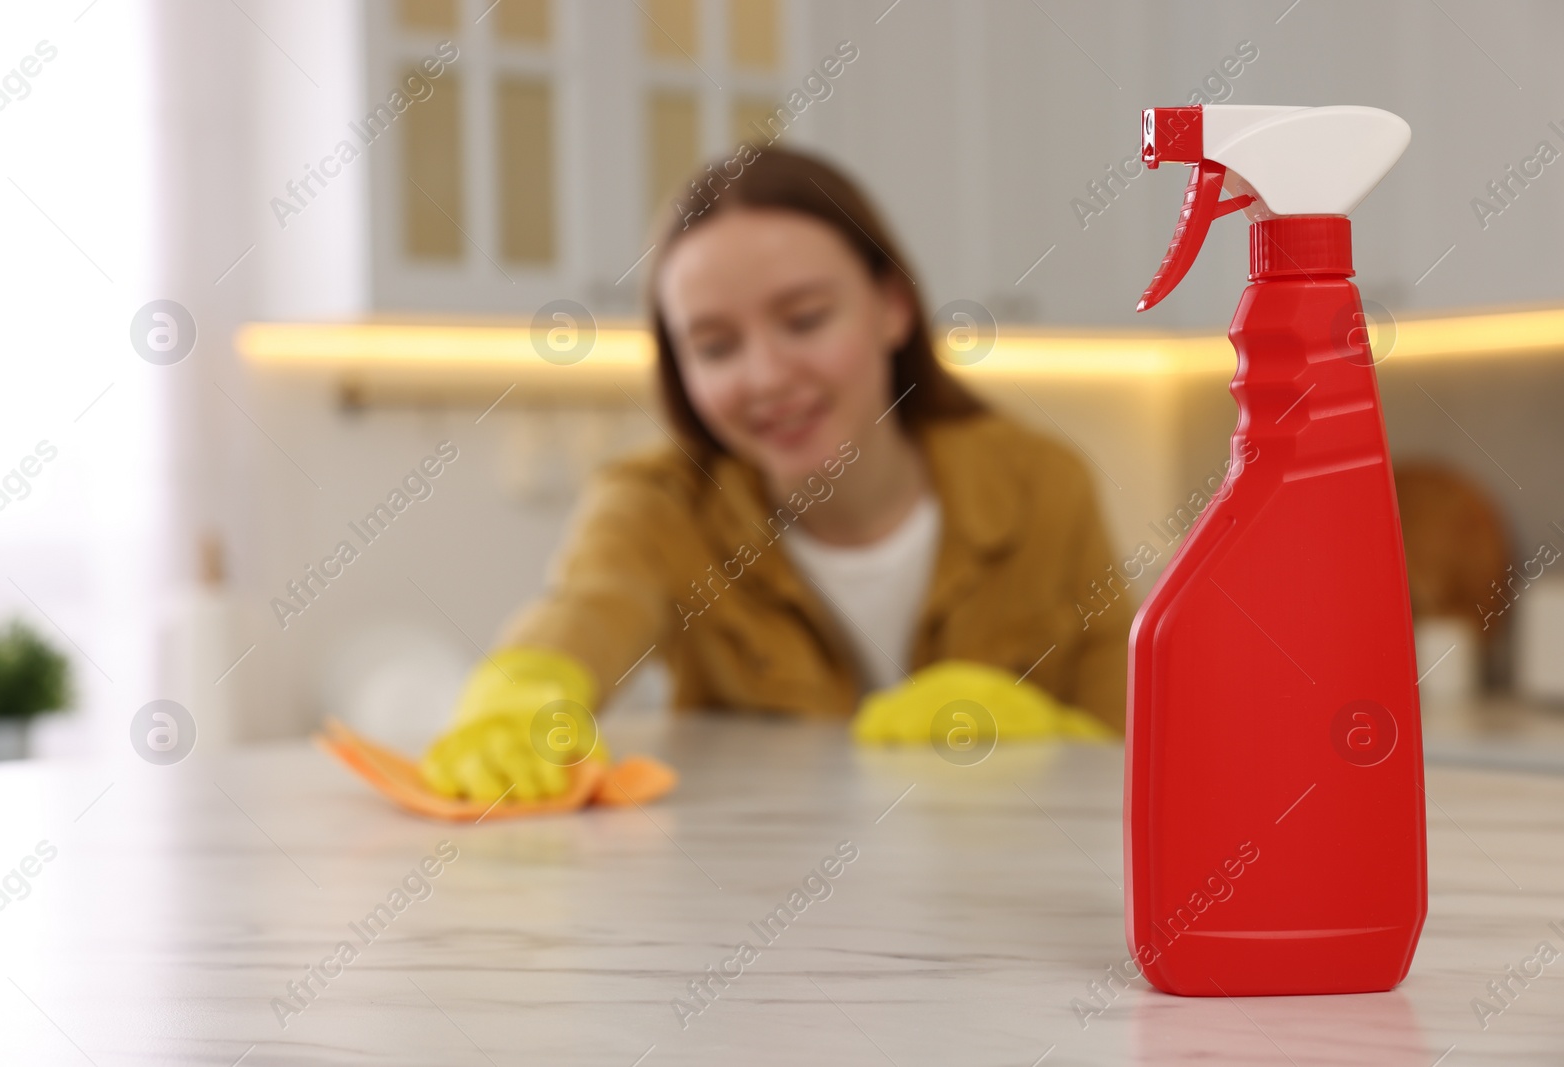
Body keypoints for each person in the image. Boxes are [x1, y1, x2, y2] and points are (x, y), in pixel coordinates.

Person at [420, 147, 1130, 803]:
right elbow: (589, 607)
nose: (765, 377)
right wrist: (523, 687)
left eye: (805, 319)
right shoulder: (661, 503)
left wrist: (1046, 735)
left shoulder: (1043, 484)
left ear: (893, 307)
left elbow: (1139, 735)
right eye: (716, 345)